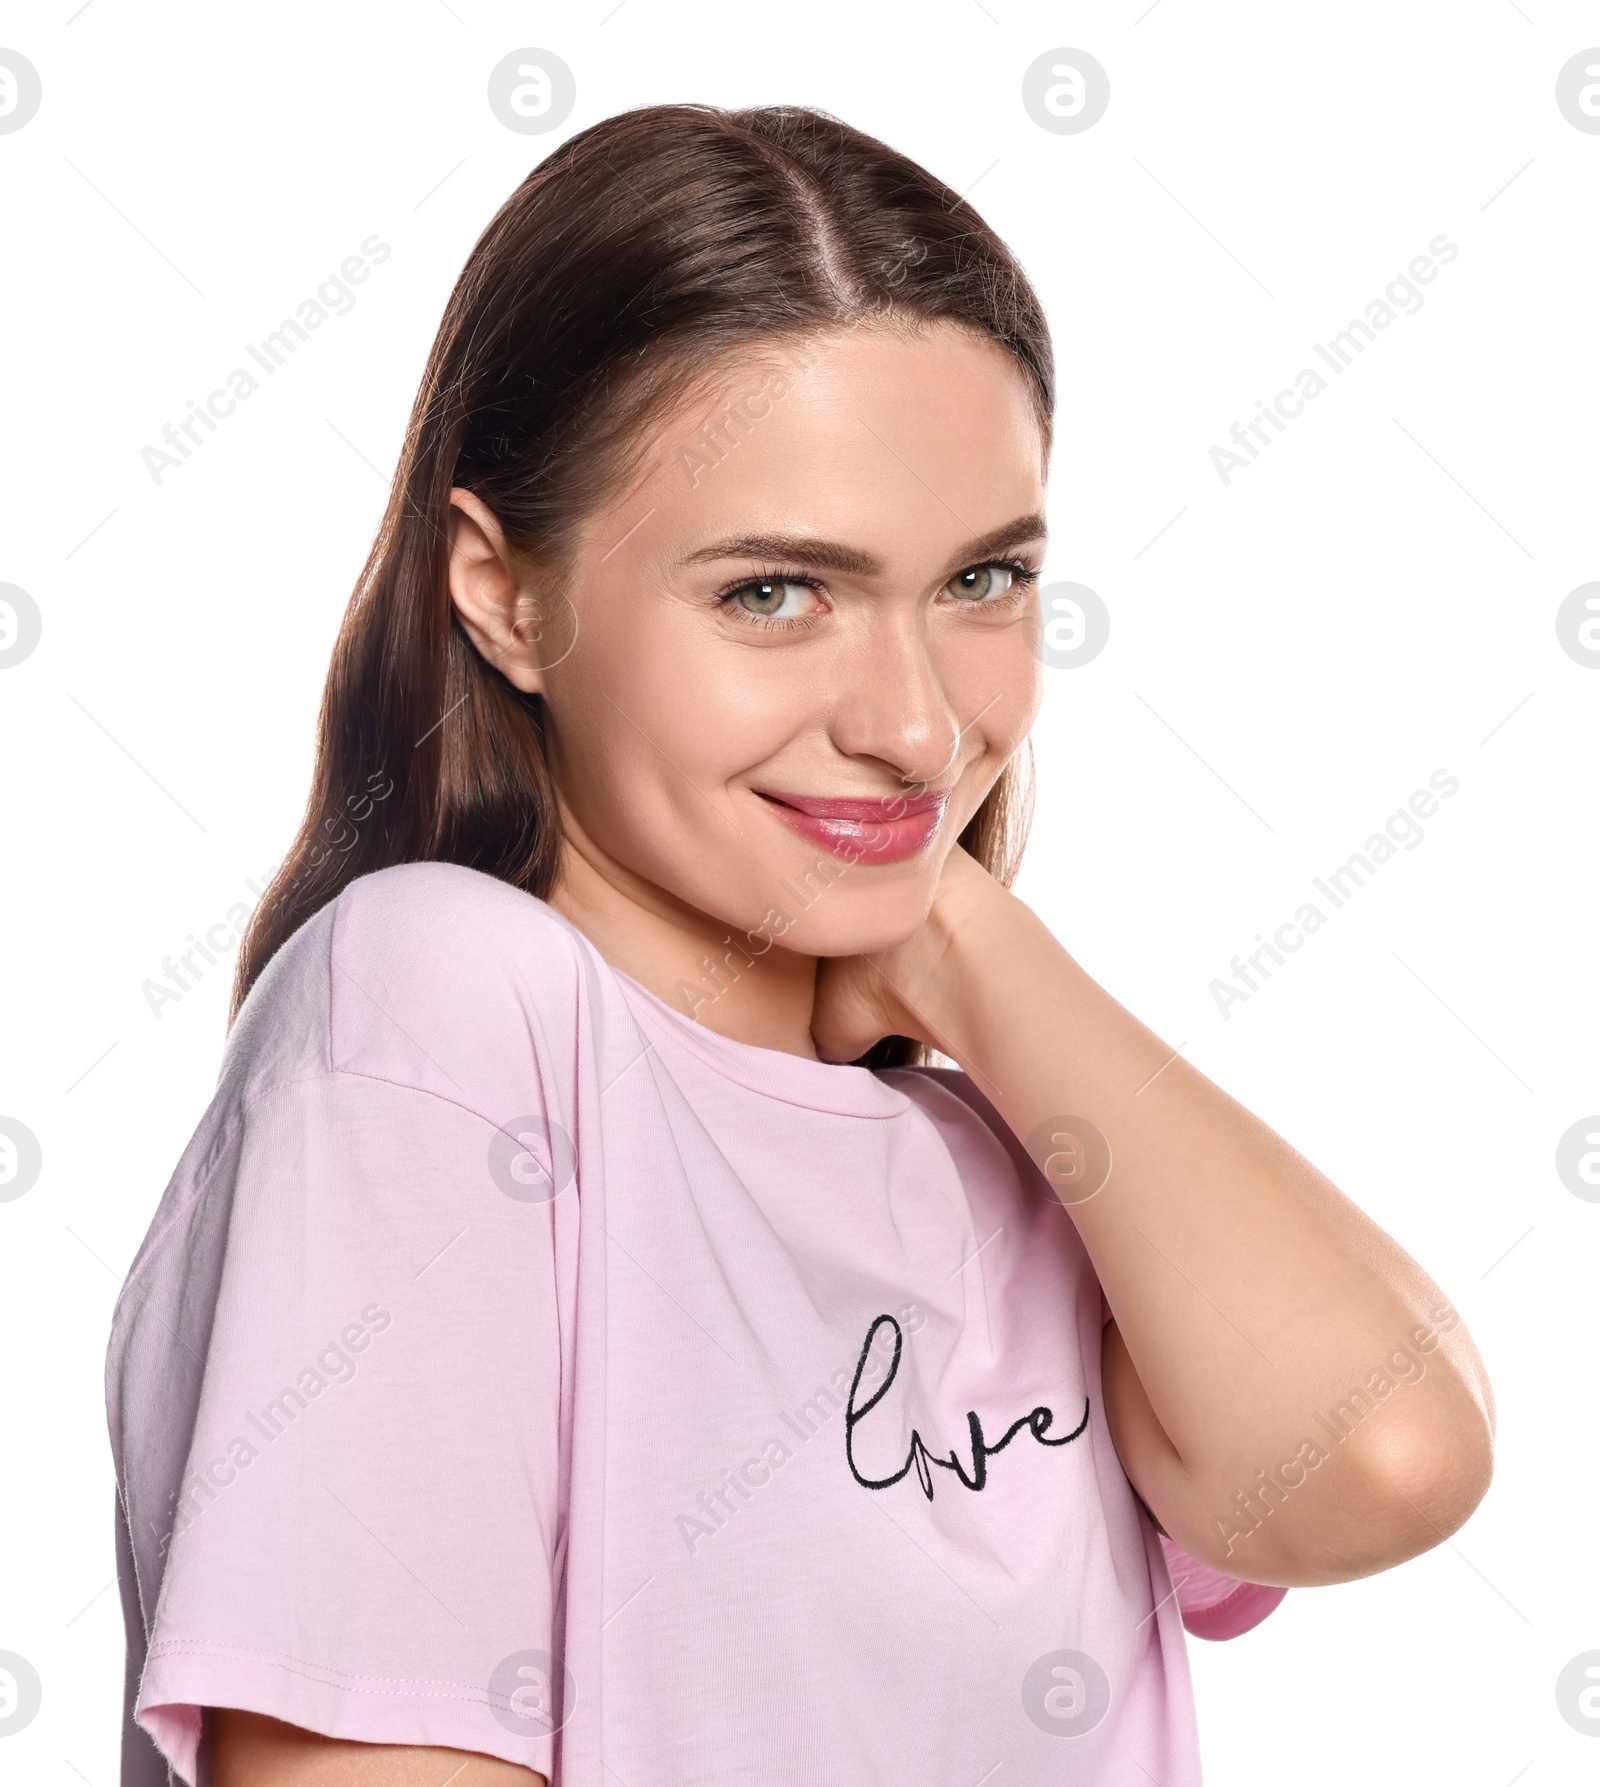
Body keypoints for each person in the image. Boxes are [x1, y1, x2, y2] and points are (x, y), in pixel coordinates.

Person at [105, 103, 1495, 1787]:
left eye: (983, 581)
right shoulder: (446, 1000)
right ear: (504, 593)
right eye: (776, 593)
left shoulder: (1017, 1157)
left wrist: (968, 950)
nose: (916, 727)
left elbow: (1392, 1458)